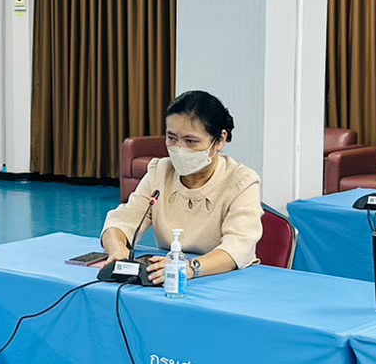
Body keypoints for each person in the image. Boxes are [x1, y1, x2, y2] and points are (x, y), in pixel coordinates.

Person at [102, 90, 262, 285]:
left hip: (224, 282)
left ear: (219, 140)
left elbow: (238, 247)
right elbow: (121, 222)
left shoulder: (242, 181)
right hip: (168, 280)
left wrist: (189, 268)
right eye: (172, 138)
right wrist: (118, 249)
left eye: (190, 141)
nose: (179, 149)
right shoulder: (160, 171)